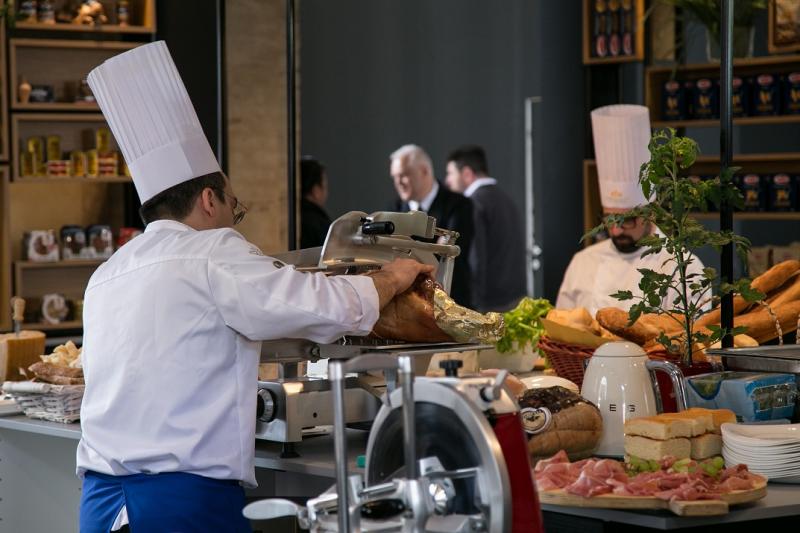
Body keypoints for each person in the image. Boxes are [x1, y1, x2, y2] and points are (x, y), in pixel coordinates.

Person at [77, 41, 432, 533]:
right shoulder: (212, 250)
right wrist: (395, 274)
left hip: (99, 506)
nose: (233, 222)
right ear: (208, 200)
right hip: (183, 506)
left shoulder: (106, 274)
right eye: (233, 208)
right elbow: (324, 306)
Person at [556, 104, 705, 316]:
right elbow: (563, 328)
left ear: (650, 213)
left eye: (627, 220)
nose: (615, 231)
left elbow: (693, 341)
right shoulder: (583, 262)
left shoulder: (683, 269)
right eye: (609, 219)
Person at [444, 145, 526, 312]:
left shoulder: (474, 204)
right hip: (515, 299)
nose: (447, 180)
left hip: (489, 305)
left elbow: (476, 258)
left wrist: (474, 307)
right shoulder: (505, 198)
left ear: (466, 173)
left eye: (451, 173)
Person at [390, 144, 474, 308]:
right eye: (394, 177)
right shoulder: (393, 209)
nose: (398, 182)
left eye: (404, 175)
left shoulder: (460, 205)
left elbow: (447, 252)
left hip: (452, 303)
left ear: (424, 171)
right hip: (407, 305)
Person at [300, 155, 333, 248]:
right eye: (325, 186)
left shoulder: (290, 219)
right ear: (316, 191)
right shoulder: (321, 225)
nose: (327, 192)